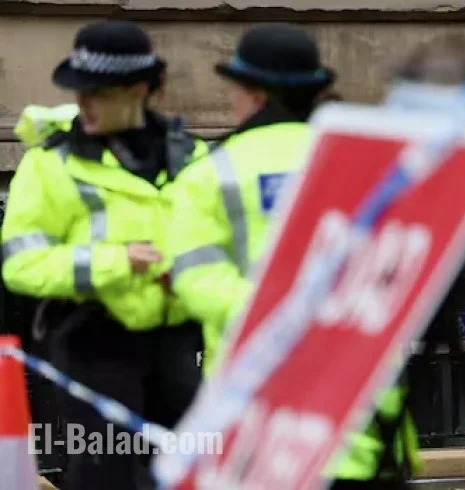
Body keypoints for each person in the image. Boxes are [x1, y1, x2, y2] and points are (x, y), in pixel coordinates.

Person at [165, 24, 421, 488]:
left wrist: (281, 312)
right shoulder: (366, 166)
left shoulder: (209, 175)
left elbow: (197, 283)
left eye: (235, 91)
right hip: (360, 413)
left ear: (255, 94)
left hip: (263, 425)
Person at [0, 20, 208, 490]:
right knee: (103, 476)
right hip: (92, 344)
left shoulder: (191, 157)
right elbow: (20, 263)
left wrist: (189, 274)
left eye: (99, 92)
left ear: (139, 90)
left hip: (176, 345)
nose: (84, 103)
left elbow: (217, 245)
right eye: (80, 91)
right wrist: (116, 264)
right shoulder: (50, 164)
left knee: (191, 475)